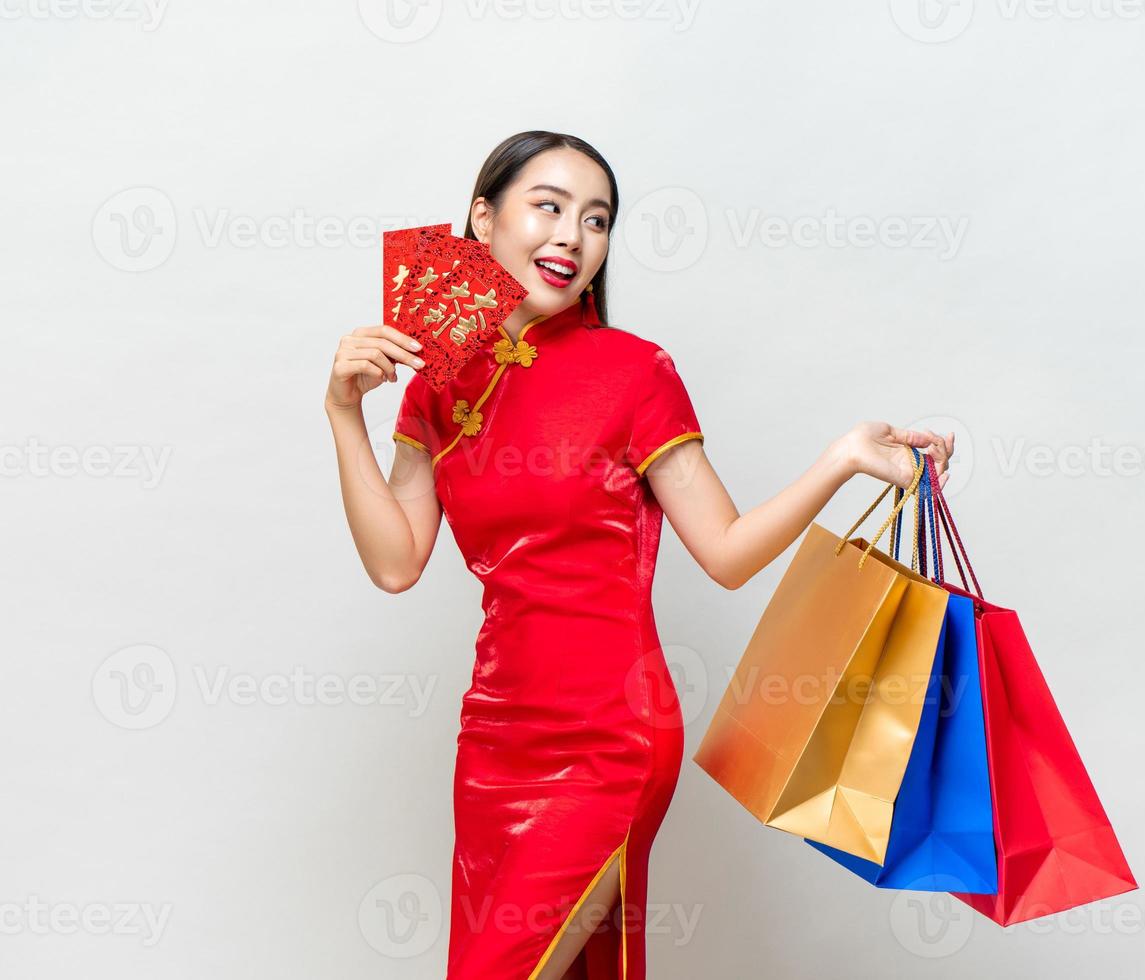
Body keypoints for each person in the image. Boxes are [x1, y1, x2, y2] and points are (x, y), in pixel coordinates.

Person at [323, 130, 955, 979]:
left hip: (608, 738)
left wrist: (842, 458)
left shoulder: (632, 372)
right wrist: (342, 414)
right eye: (547, 207)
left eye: (596, 220)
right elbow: (396, 563)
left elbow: (727, 553)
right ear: (482, 218)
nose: (572, 237)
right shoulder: (439, 383)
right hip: (492, 741)